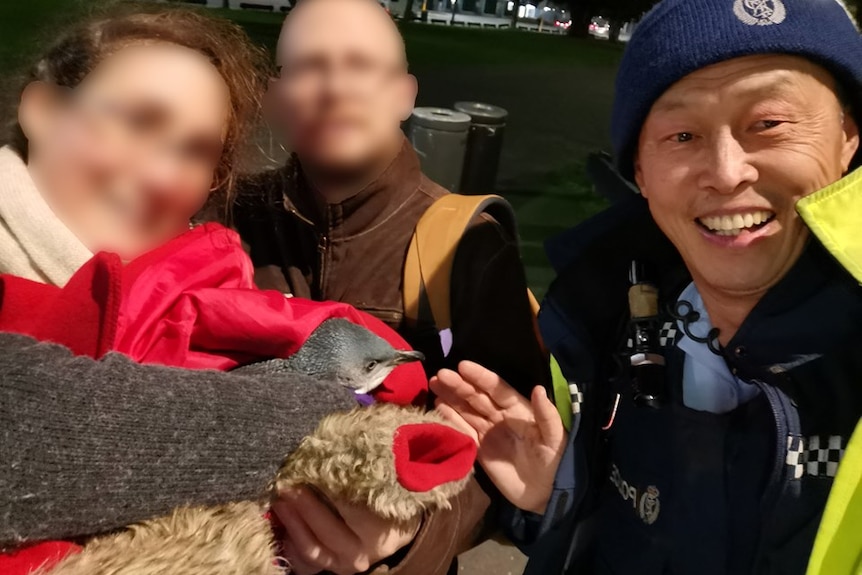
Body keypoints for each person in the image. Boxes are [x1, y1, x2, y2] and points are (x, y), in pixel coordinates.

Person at [431, 1, 862, 574]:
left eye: (769, 123)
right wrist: (557, 495)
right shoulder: (598, 321)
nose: (728, 172)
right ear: (640, 171)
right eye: (682, 134)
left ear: (848, 137)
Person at [0, 7, 423, 574]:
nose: (160, 174)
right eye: (138, 120)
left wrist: (402, 527)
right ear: (44, 110)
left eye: (196, 151)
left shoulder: (214, 293)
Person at [233, 0, 550, 572]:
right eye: (308, 66)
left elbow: (511, 459)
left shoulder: (465, 243)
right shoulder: (225, 216)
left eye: (361, 65)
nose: (334, 87)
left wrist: (408, 541)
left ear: (405, 94)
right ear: (276, 98)